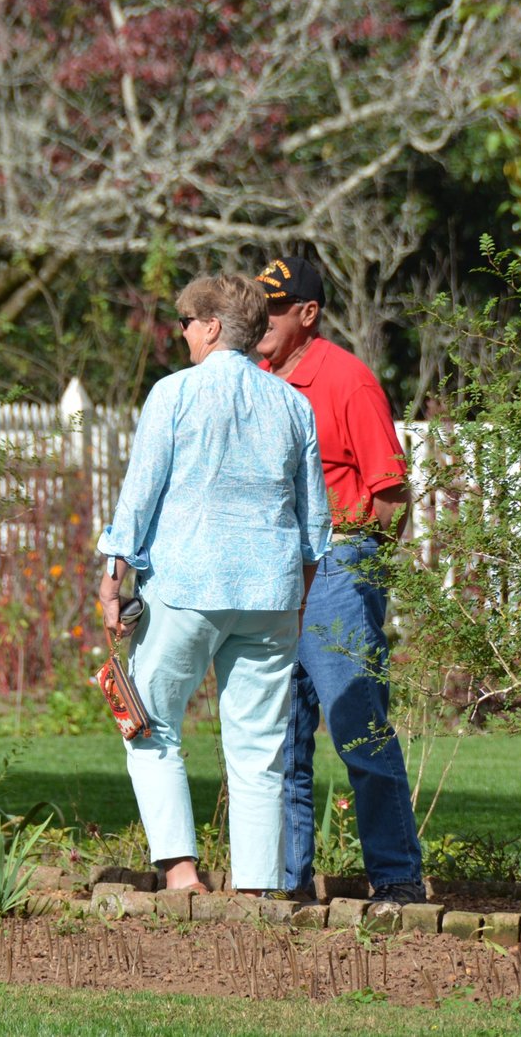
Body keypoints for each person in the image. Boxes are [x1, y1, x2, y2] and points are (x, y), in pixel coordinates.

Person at [97, 274, 330, 894]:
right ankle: (256, 888)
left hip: (188, 584)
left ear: (212, 326)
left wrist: (113, 576)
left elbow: (140, 492)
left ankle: (181, 874)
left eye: (185, 323)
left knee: (148, 724)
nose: (182, 334)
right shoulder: (292, 404)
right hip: (271, 593)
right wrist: (297, 598)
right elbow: (314, 523)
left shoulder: (174, 394)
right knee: (259, 748)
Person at [256, 254, 426, 908]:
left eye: (276, 308)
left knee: (358, 728)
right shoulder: (258, 381)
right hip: (275, 574)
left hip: (336, 566)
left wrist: (359, 569)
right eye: (260, 306)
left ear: (308, 313)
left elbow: (392, 495)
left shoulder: (348, 380)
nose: (264, 319)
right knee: (280, 740)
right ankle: (288, 881)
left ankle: (397, 878)